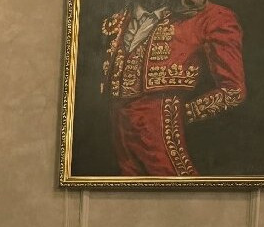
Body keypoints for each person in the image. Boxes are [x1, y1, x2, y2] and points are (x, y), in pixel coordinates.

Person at [100, 0, 246, 176]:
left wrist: (182, 115)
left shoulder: (212, 17)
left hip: (172, 144)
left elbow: (233, 90)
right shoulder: (117, 20)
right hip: (120, 145)